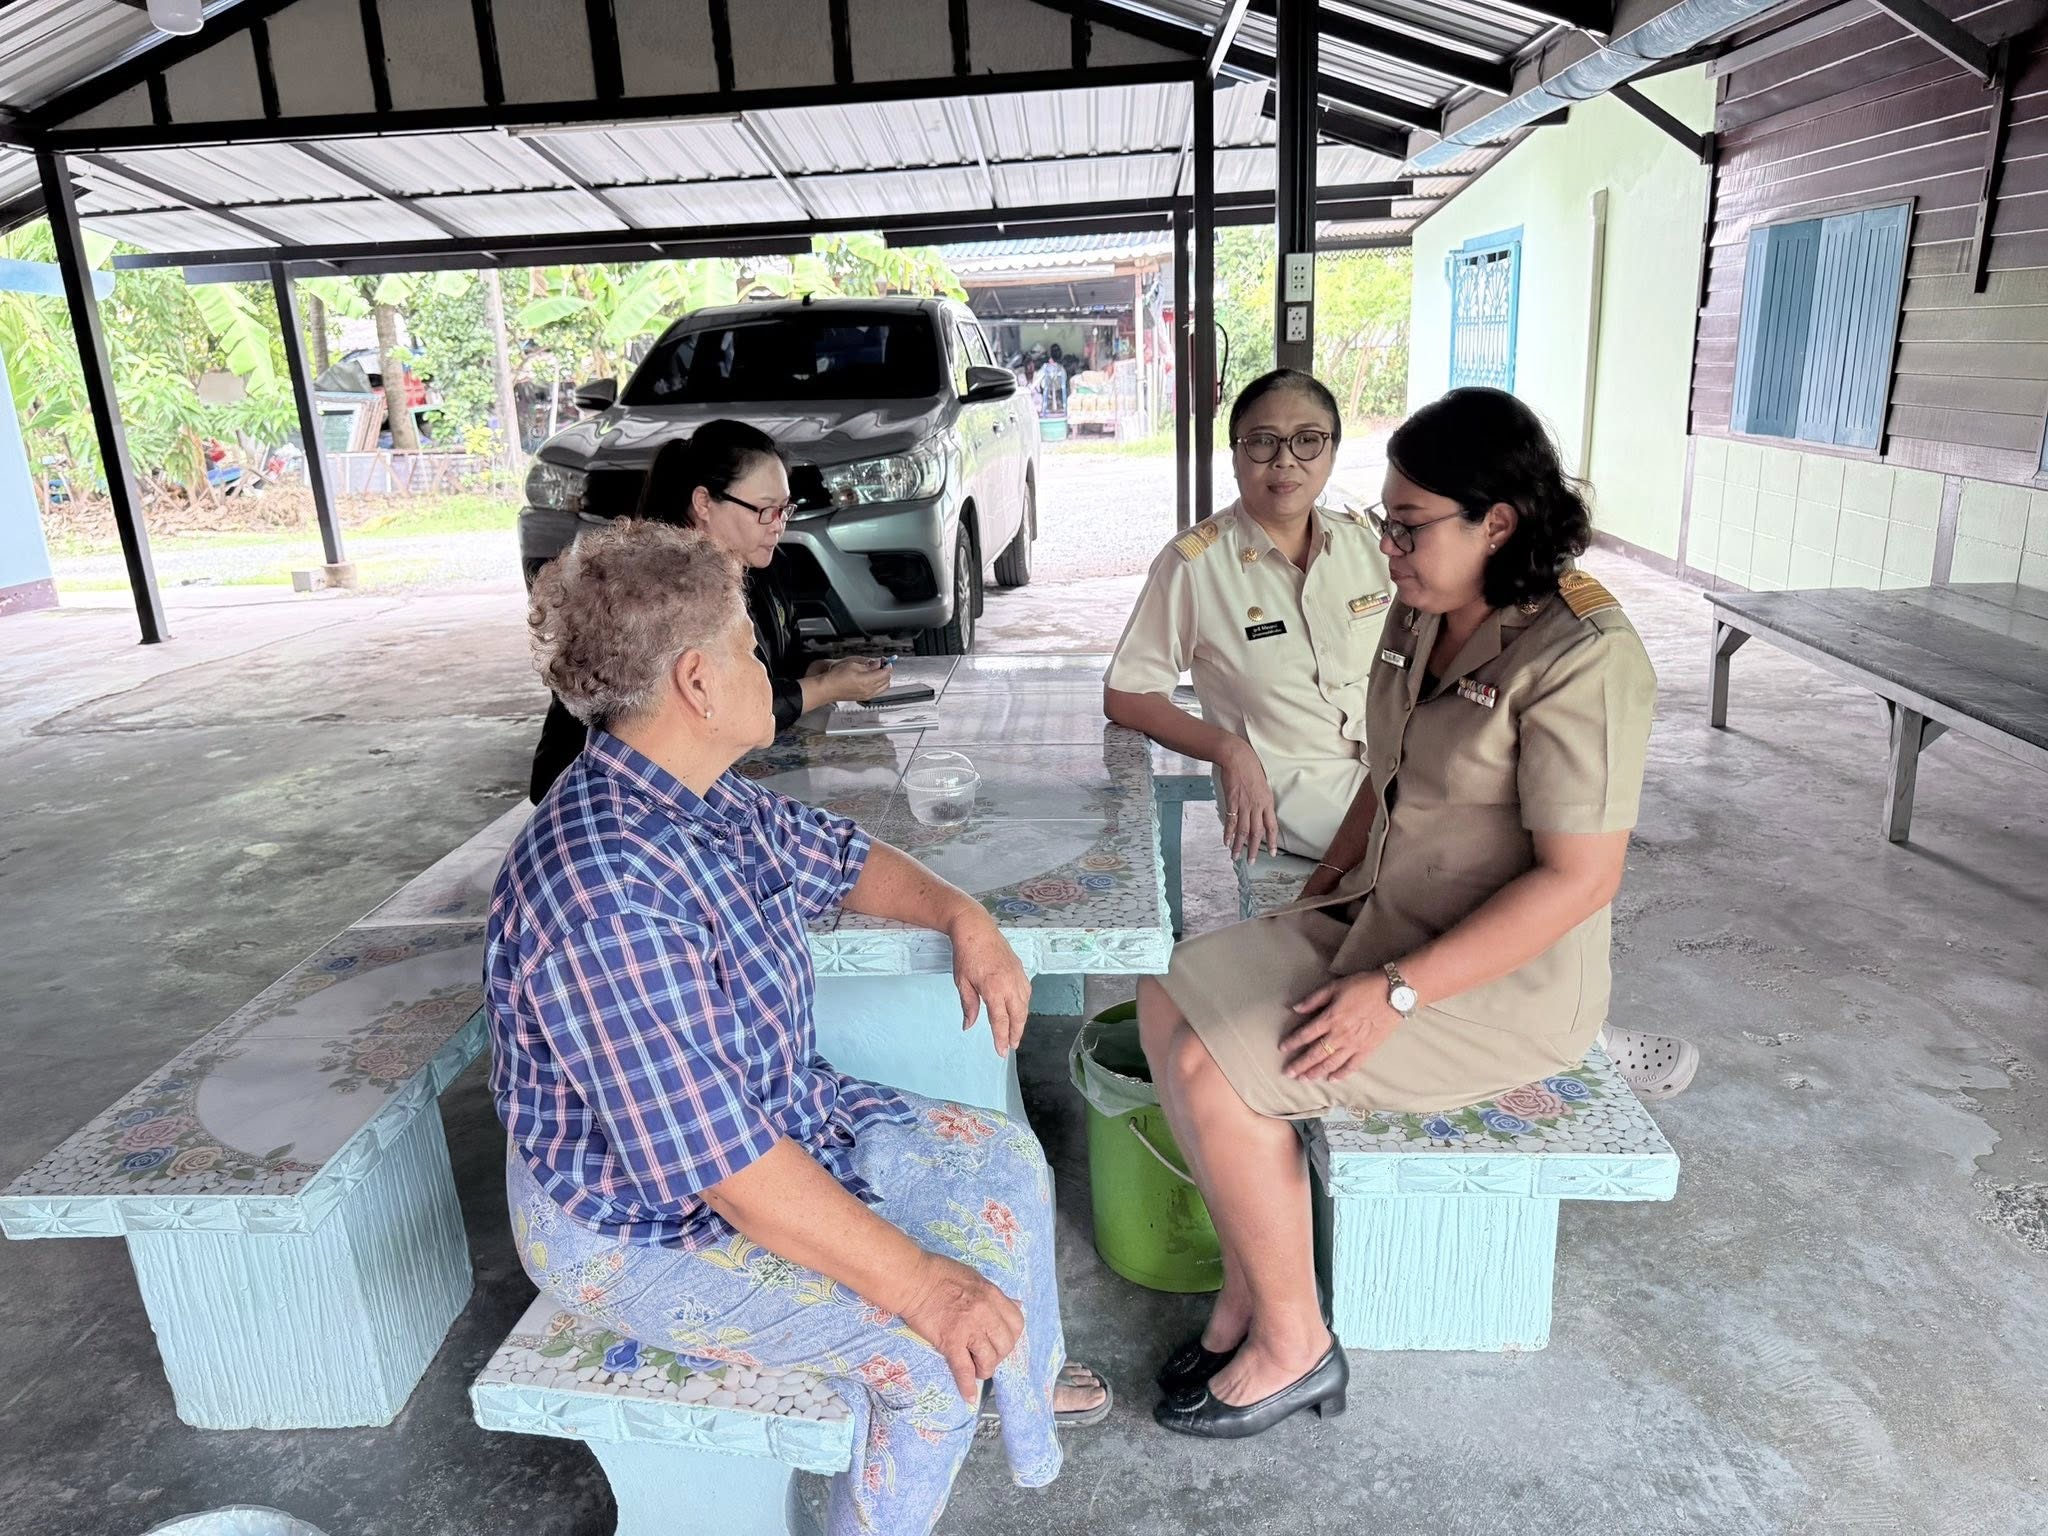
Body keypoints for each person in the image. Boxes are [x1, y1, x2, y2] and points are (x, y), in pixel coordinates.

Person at [488, 520, 1108, 1536]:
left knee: (1002, 1159)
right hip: (636, 1222)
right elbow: (724, 1171)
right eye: (747, 646)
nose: (764, 667)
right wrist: (926, 1288)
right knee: (928, 1354)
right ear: (696, 682)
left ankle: (1018, 1392)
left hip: (773, 1119)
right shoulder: (604, 891)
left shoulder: (697, 798)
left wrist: (963, 915)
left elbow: (841, 857)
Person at [1134, 387, 1696, 1442]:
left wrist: (1393, 993)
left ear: (1498, 523)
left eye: (1407, 527)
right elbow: (1383, 769)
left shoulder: (1582, 656)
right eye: (1386, 523)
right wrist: (1321, 890)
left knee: (1219, 1069)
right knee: (1164, 996)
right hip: (1382, 917)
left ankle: (1295, 1344)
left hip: (1494, 986)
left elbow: (1579, 881)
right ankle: (1252, 1287)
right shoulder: (1424, 604)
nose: (1385, 548)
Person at [1105, 368, 1392, 864]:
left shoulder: (1369, 546)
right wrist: (1228, 749)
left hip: (1392, 770)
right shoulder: (1195, 567)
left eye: (1308, 440)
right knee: (1440, 857)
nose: (1285, 460)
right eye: (1263, 442)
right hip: (1296, 797)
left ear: (1331, 452)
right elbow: (1127, 694)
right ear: (1236, 456)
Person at [528, 421, 892, 802]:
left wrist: (823, 671)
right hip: (617, 796)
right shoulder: (651, 593)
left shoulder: (762, 567)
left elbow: (775, 666)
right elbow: (721, 705)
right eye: (765, 510)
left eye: (785, 509)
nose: (778, 527)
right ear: (703, 503)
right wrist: (826, 688)